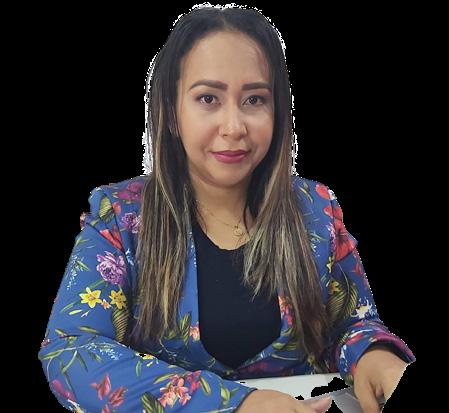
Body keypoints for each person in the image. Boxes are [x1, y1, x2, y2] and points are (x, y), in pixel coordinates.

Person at [38, 4, 415, 413]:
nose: (234, 127)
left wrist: (373, 353)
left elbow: (351, 324)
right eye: (208, 98)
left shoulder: (316, 209)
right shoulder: (121, 217)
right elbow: (70, 352)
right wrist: (236, 404)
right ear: (172, 112)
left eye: (254, 99)